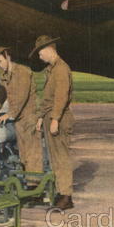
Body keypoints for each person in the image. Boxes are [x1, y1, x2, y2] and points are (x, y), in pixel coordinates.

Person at [31, 35, 75, 210]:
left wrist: (55, 118)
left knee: (61, 158)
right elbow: (48, 98)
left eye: (40, 53)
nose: (39, 57)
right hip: (51, 116)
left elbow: (61, 96)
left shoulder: (61, 69)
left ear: (50, 49)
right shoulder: (52, 69)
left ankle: (66, 197)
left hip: (60, 118)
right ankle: (61, 192)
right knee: (55, 158)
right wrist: (42, 116)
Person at [0, 47, 43, 184]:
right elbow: (1, 97)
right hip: (19, 119)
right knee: (24, 154)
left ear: (7, 56)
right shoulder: (4, 76)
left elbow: (22, 96)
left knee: (33, 153)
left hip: (30, 117)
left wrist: (9, 114)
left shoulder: (22, 72)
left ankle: (35, 186)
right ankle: (30, 183)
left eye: (1, 61)